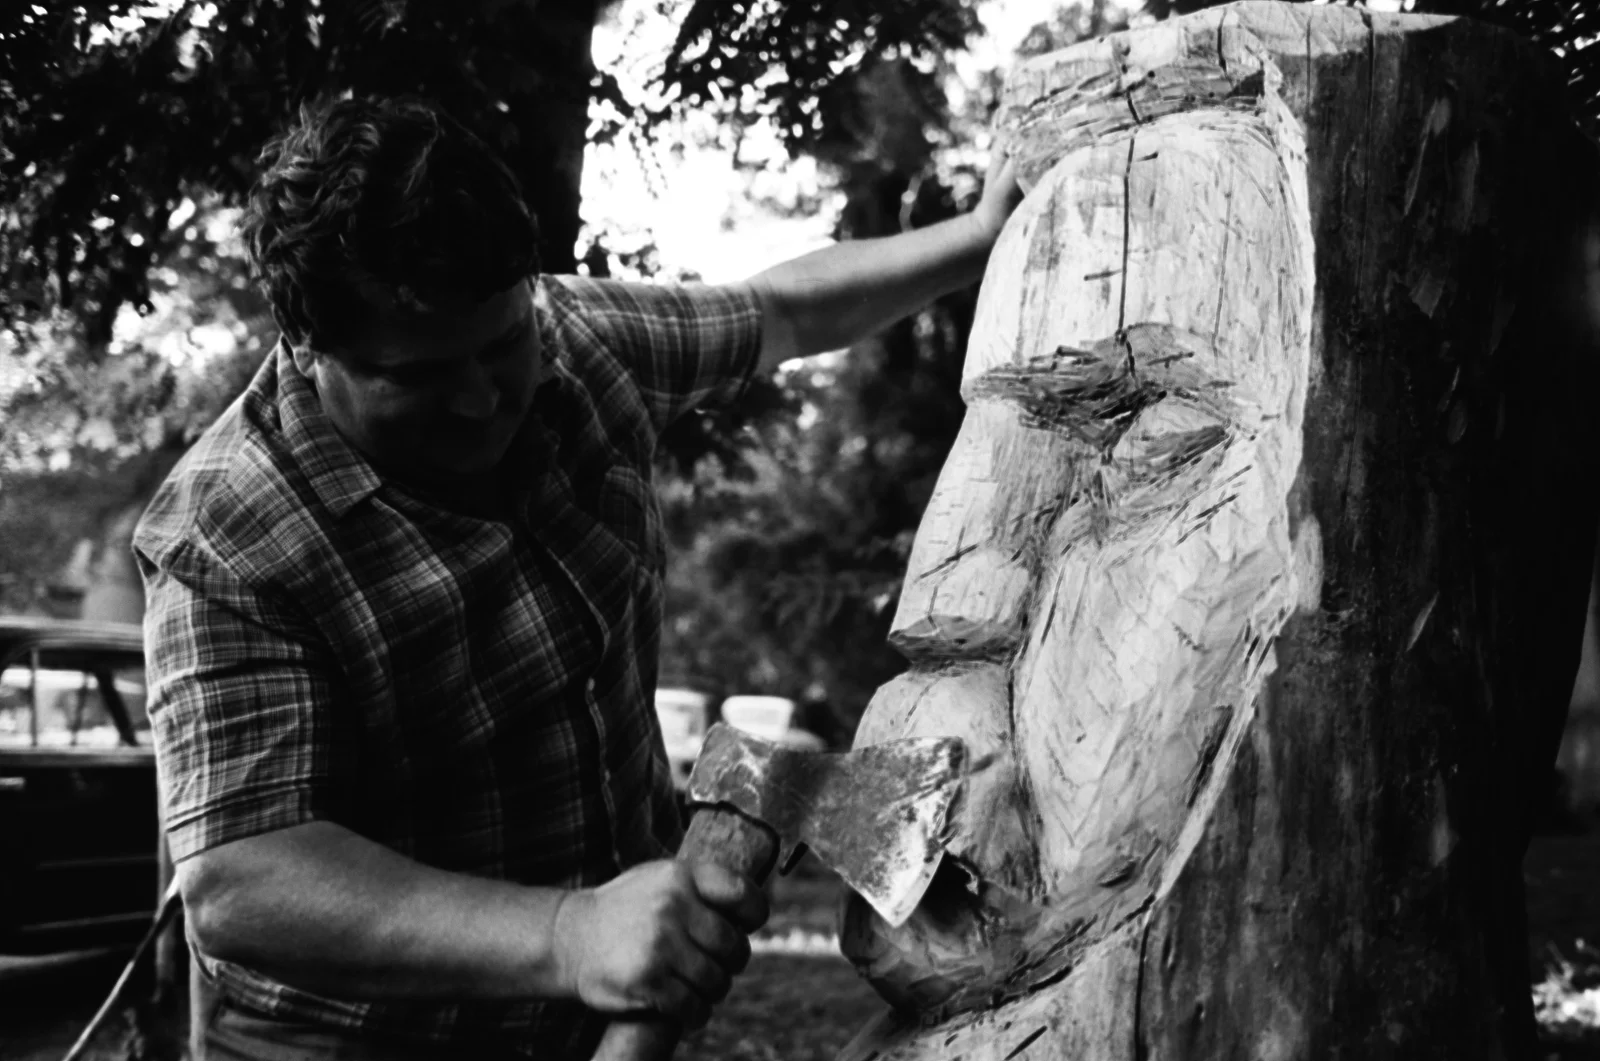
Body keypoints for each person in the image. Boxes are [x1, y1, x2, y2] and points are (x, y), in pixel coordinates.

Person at [133, 94, 1022, 1060]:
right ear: (308, 345)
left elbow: (785, 310)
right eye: (419, 376)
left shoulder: (582, 340)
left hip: (588, 1022)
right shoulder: (225, 535)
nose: (481, 399)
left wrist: (977, 237)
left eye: (500, 344)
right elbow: (242, 877)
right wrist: (567, 933)